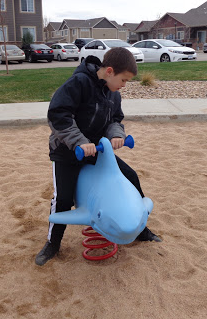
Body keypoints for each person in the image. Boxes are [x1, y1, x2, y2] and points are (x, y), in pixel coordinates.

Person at [35, 47, 162, 266]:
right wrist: (80, 142)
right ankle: (53, 243)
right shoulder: (79, 84)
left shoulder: (113, 94)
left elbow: (115, 119)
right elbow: (58, 115)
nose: (124, 85)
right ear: (110, 71)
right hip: (67, 151)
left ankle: (140, 227)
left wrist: (116, 135)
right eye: (123, 80)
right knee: (63, 198)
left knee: (131, 176)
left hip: (97, 151)